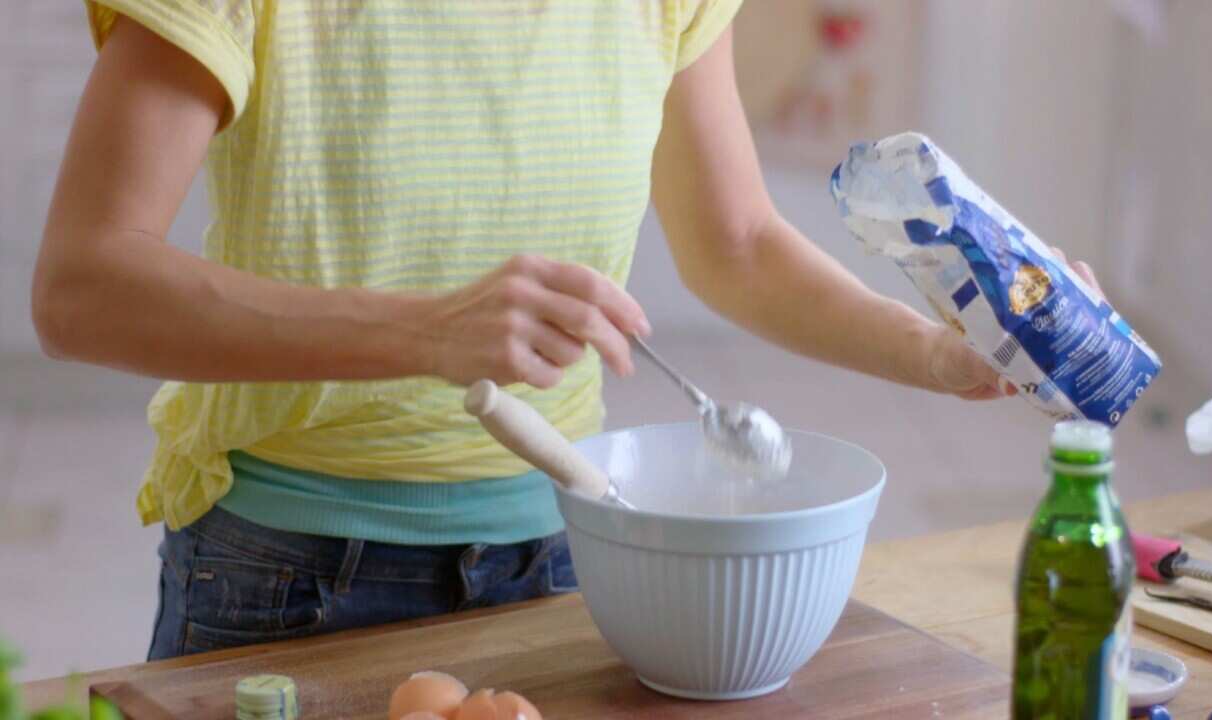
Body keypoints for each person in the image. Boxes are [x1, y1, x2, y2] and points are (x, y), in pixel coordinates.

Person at [31, 1, 1096, 660]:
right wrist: (425, 331)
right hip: (289, 578)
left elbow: (731, 241)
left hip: (567, 556)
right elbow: (82, 287)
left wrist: (939, 353)